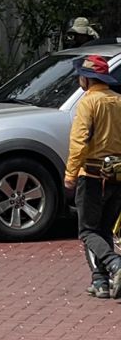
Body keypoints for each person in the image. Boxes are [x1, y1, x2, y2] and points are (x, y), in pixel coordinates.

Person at [64, 54, 121, 299]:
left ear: (87, 78)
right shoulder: (118, 101)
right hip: (117, 175)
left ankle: (115, 264)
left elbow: (79, 142)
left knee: (88, 231)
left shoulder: (89, 102)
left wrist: (70, 174)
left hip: (93, 175)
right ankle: (100, 282)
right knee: (104, 230)